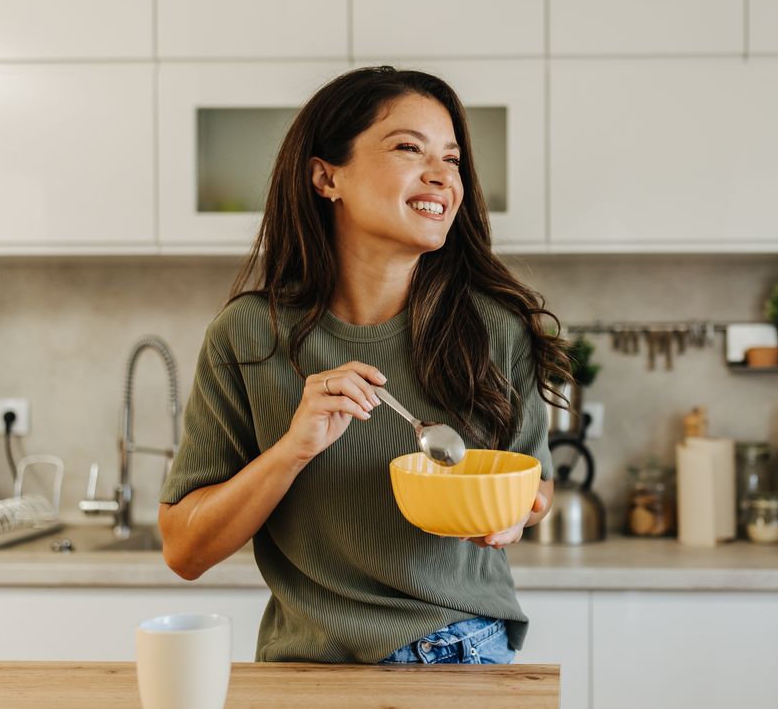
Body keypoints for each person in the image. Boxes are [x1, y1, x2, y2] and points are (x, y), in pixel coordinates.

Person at [158, 66, 568, 665]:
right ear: (327, 176)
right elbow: (184, 551)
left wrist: (516, 514)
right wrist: (293, 448)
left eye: (452, 159)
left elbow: (538, 483)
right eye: (409, 147)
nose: (441, 176)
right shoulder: (249, 335)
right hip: (302, 665)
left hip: (458, 649)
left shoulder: (493, 329)